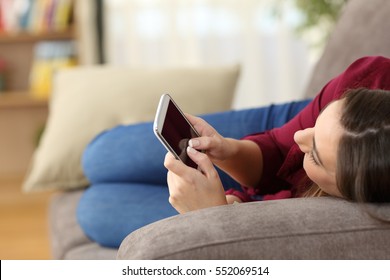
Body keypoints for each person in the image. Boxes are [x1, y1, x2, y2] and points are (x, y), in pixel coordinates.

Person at [77, 56, 390, 248]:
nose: (299, 138)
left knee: (96, 208)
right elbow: (283, 145)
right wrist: (226, 150)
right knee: (100, 155)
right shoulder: (370, 80)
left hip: (273, 202)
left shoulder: (350, 223)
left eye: (316, 156)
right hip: (304, 126)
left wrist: (216, 220)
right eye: (324, 117)